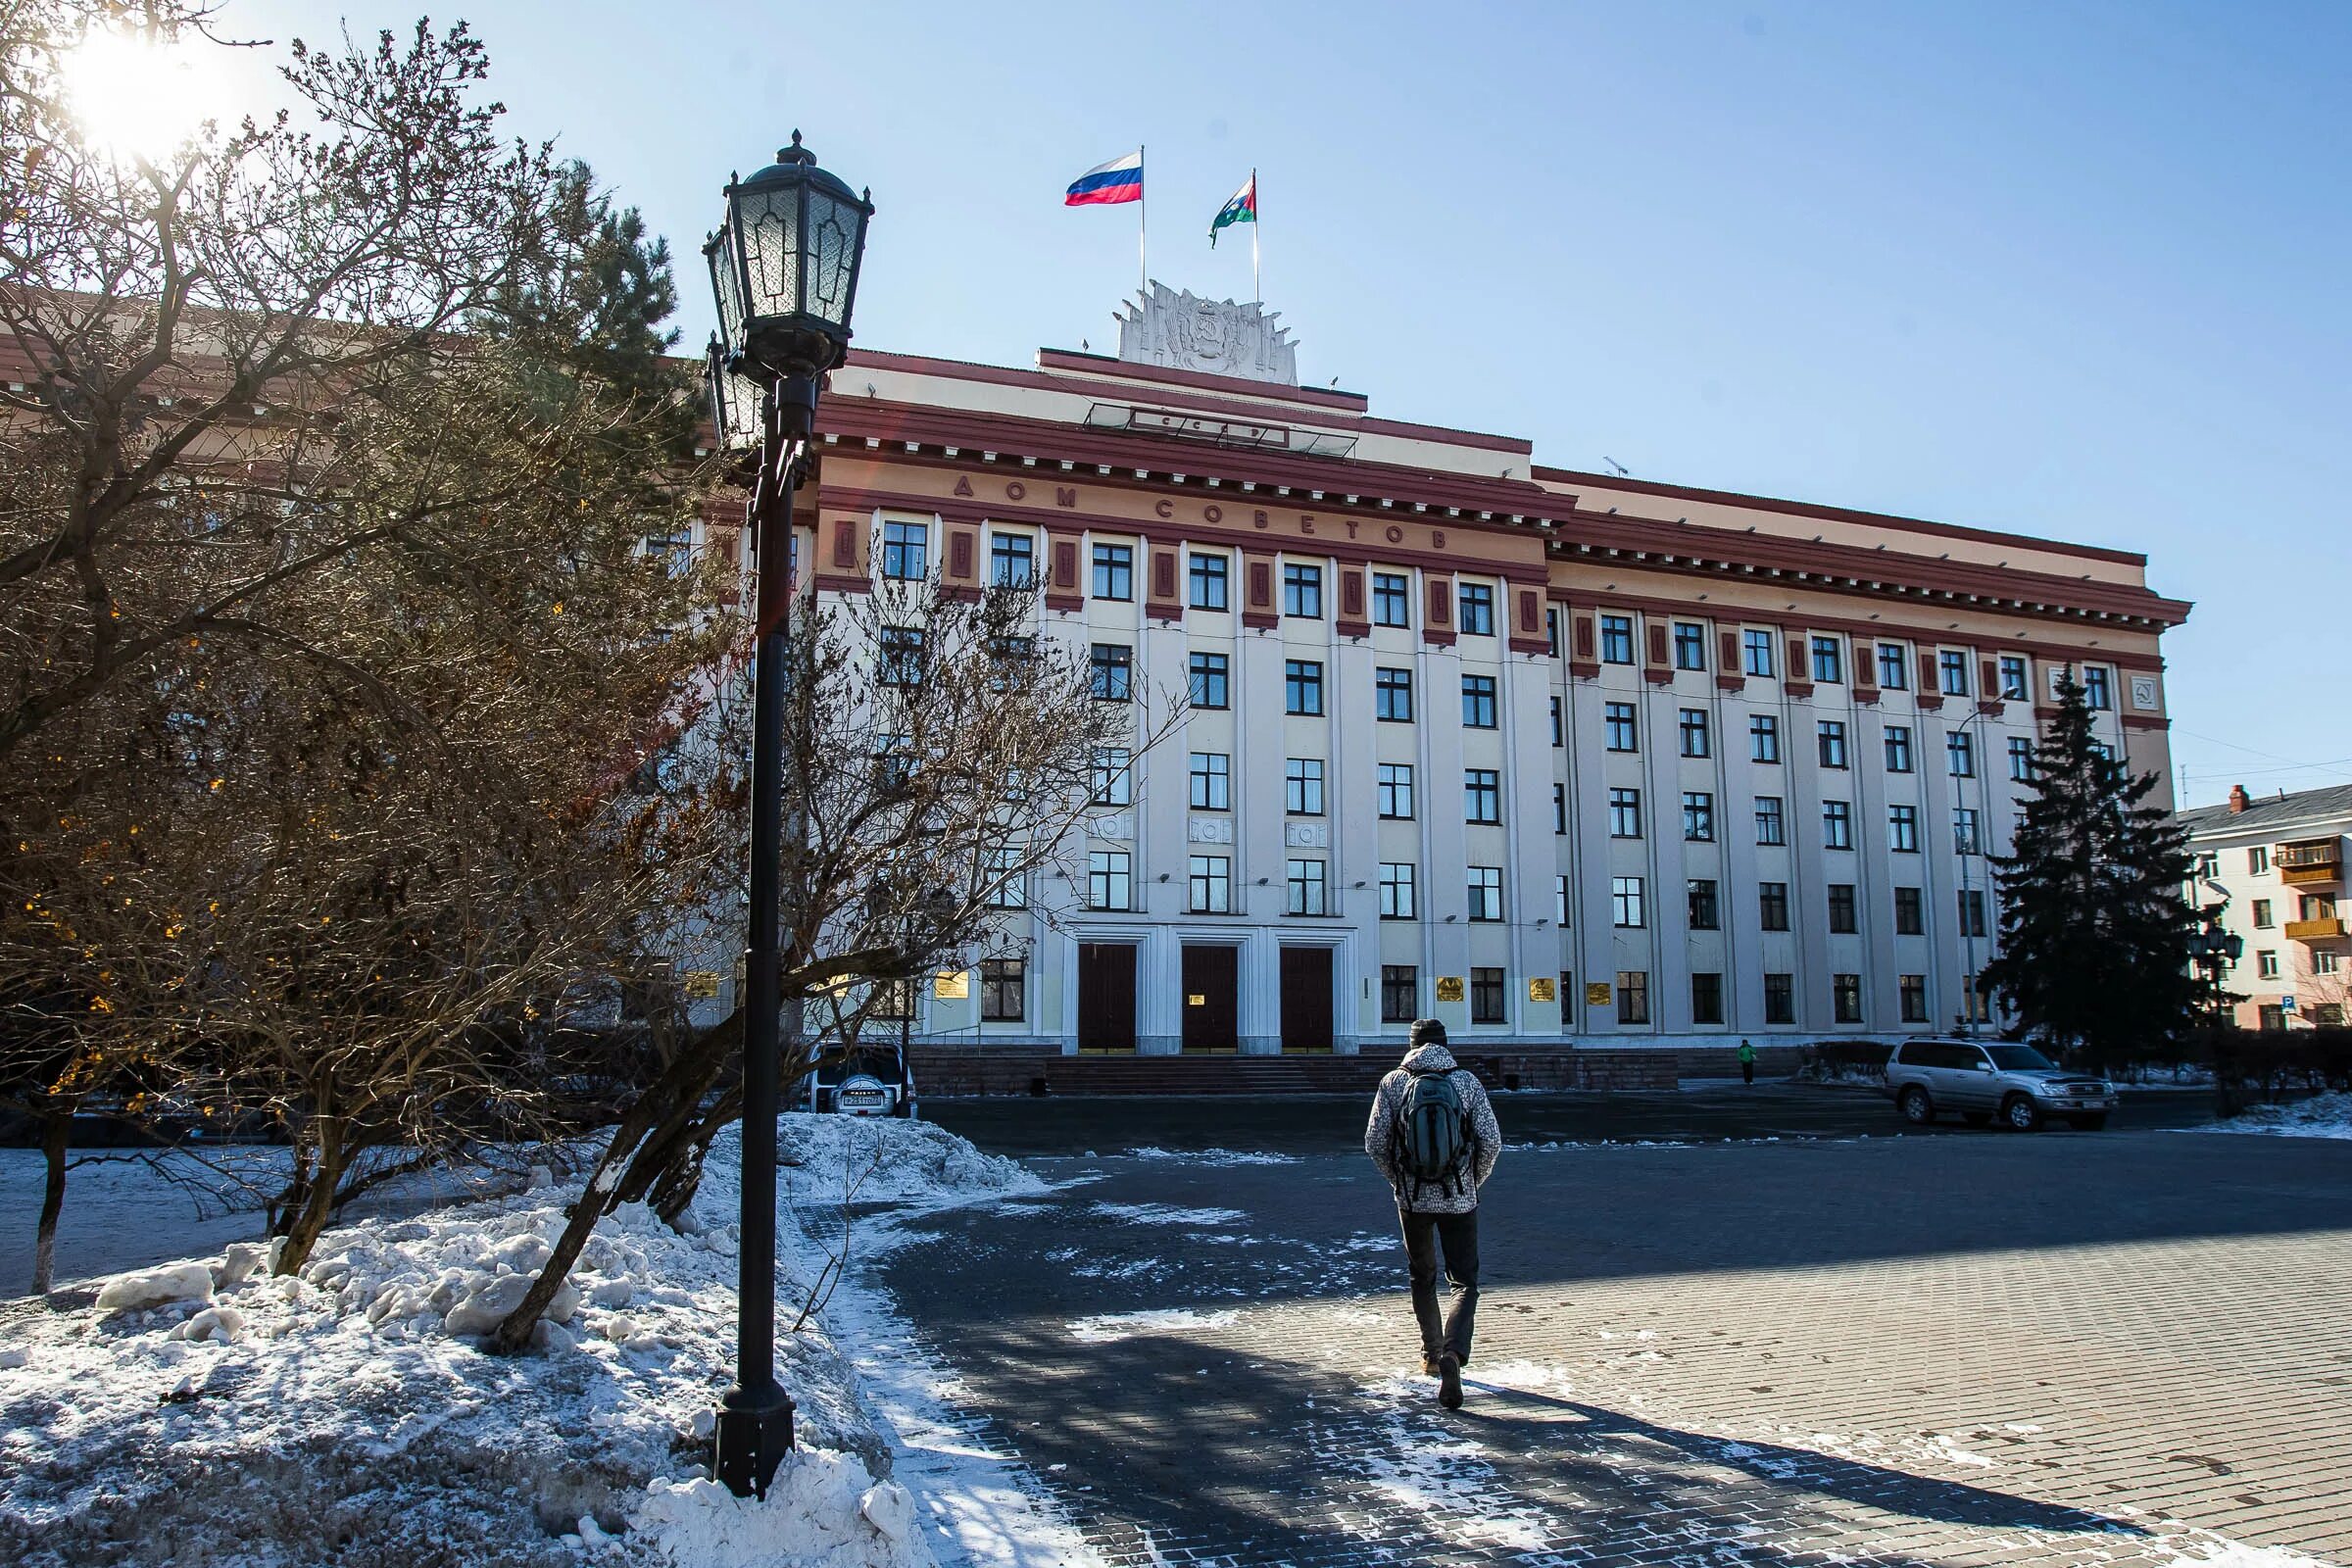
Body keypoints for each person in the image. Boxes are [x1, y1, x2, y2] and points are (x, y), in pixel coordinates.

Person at [1364, 1017, 1500, 1409]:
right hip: (1460, 1198)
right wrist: (1472, 1179)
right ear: (1445, 1043)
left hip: (1412, 1199)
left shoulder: (1394, 1082)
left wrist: (1399, 1179)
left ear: (1411, 1044)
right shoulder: (1466, 1081)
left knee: (1422, 1277)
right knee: (1464, 1280)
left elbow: (1374, 1142)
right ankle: (1453, 1354)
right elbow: (1491, 1141)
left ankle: (1430, 1352)